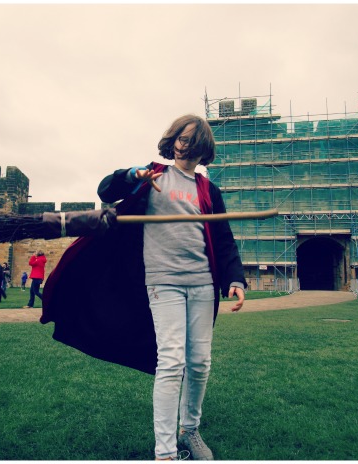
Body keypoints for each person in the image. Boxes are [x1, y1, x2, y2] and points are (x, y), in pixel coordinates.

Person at [43, 114, 246, 460]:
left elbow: (223, 238)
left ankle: (189, 432)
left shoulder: (208, 190)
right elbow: (106, 190)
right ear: (172, 141)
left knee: (200, 363)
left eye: (193, 141)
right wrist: (131, 175)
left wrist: (234, 278)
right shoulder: (151, 175)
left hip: (202, 285)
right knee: (171, 362)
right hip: (162, 282)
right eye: (181, 138)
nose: (185, 145)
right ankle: (164, 452)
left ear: (203, 149)